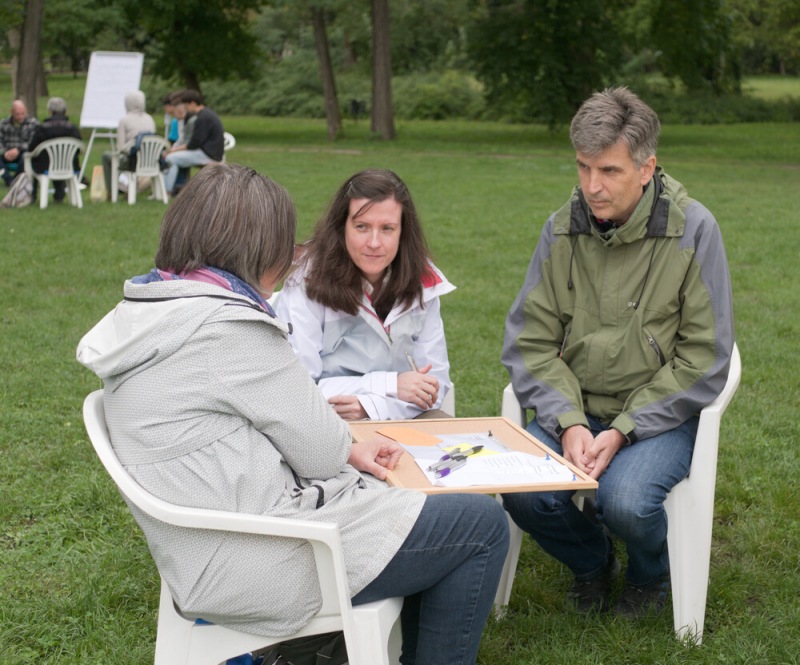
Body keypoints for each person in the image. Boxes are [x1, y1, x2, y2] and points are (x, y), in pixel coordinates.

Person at [76, 163, 508, 665]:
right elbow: (323, 453)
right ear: (259, 249)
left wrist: (351, 443)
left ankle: (330, 653)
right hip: (264, 557)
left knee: (423, 509)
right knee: (481, 524)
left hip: (205, 546)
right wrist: (350, 441)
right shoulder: (230, 329)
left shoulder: (156, 307)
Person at [501, 87, 734, 617]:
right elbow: (529, 341)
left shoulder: (695, 230)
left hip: (657, 416)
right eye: (583, 168)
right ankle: (592, 559)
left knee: (626, 501)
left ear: (647, 167)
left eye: (608, 171)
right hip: (576, 409)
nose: (591, 187)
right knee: (520, 491)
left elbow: (705, 357)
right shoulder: (561, 228)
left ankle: (650, 574)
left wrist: (624, 428)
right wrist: (569, 421)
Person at [276, 169, 455, 421]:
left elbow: (434, 388)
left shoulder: (424, 284)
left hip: (404, 418)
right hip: (327, 422)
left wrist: (372, 407)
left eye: (387, 228)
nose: (374, 242)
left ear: (403, 232)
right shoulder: (306, 283)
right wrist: (390, 385)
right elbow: (297, 387)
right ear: (342, 228)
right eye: (362, 227)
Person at [162, 89, 224, 195]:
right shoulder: (207, 114)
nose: (186, 109)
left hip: (209, 155)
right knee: (176, 156)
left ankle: (167, 191)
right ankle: (178, 187)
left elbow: (194, 144)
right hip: (211, 152)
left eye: (186, 106)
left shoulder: (202, 118)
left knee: (171, 159)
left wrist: (174, 150)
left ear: (192, 103)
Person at [27, 97, 82, 204]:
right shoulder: (72, 128)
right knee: (61, 160)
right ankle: (59, 194)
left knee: (37, 161)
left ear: (49, 111)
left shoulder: (42, 129)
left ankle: (33, 195)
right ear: (65, 111)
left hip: (45, 167)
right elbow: (79, 149)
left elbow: (31, 149)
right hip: (69, 166)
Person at [101, 90, 157, 197]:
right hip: (150, 161)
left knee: (106, 156)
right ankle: (131, 188)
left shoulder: (124, 120)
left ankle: (112, 191)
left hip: (132, 161)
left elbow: (121, 148)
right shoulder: (150, 119)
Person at [0, 99, 38, 186]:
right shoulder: (3, 124)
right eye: (17, 114)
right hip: (7, 153)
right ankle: (9, 181)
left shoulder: (32, 123)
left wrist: (18, 150)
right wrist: (5, 152)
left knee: (26, 158)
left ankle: (16, 180)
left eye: (22, 113)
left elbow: (33, 142)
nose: (20, 116)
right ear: (12, 112)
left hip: (23, 153)